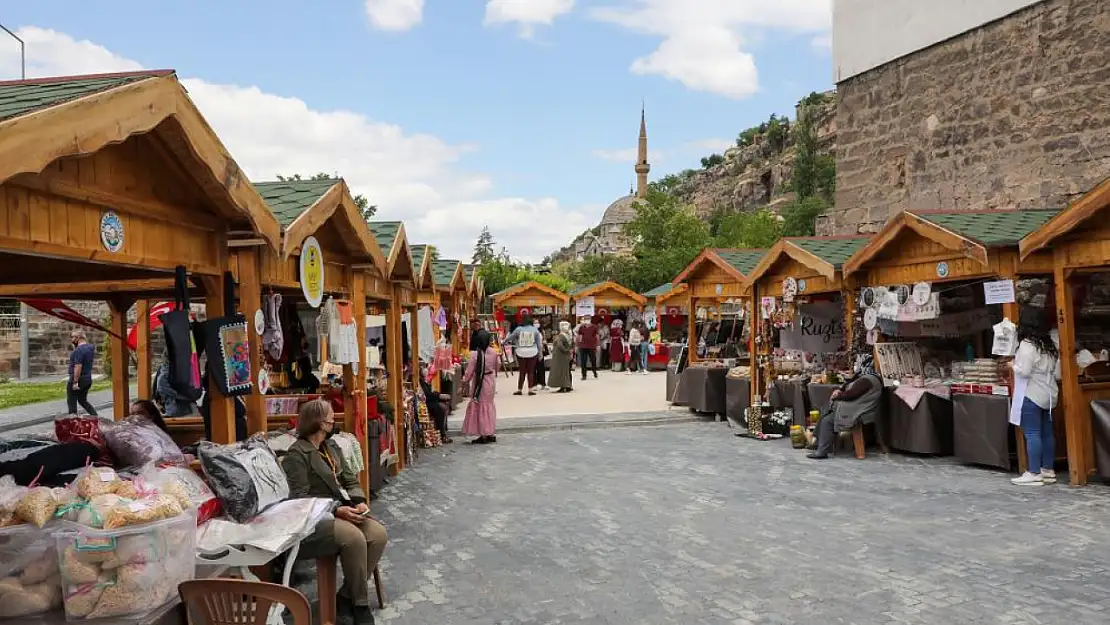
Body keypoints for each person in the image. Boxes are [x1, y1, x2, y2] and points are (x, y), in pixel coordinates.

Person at [282, 399, 387, 625]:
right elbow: (300, 499)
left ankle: (345, 596)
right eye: (329, 415)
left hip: (344, 511)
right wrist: (337, 509)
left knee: (378, 535)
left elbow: (349, 478)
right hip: (314, 521)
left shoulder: (331, 446)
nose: (333, 418)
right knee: (354, 539)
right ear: (318, 421)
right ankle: (360, 604)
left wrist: (358, 500)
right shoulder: (297, 454)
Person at [1010, 310, 1061, 486]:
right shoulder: (1050, 344)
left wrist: (1012, 365)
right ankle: (1048, 470)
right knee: (1047, 433)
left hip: (1030, 392)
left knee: (1032, 433)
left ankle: (1034, 472)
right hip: (1048, 393)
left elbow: (1024, 371)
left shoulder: (1026, 345)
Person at [807, 356, 884, 459]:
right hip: (860, 407)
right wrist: (840, 390)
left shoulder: (866, 380)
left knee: (827, 420)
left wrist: (838, 395)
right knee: (826, 412)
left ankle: (822, 451)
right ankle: (819, 443)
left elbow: (851, 394)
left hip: (858, 411)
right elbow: (849, 387)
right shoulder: (871, 378)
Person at [462, 330, 500, 443]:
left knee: (480, 406)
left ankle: (483, 434)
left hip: (480, 382)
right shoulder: (493, 352)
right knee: (488, 406)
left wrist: (464, 381)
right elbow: (497, 367)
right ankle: (489, 432)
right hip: (490, 381)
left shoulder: (474, 354)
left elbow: (469, 371)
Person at [505, 314, 543, 396]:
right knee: (531, 371)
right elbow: (539, 344)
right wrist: (540, 353)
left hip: (521, 352)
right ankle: (530, 390)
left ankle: (519, 389)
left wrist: (504, 342)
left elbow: (510, 337)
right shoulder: (535, 330)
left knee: (522, 371)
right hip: (533, 352)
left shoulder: (518, 329)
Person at [419, 360, 452, 444]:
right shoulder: (419, 380)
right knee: (440, 408)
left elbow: (428, 393)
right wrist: (439, 396)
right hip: (423, 402)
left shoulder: (424, 380)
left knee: (445, 405)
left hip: (427, 399)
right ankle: (442, 434)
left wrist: (439, 395)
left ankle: (443, 432)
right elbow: (426, 395)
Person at [67, 329, 98, 416]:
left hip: (78, 379)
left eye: (72, 337)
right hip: (87, 379)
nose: (72, 340)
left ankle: (73, 423)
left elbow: (78, 366)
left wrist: (75, 382)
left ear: (78, 338)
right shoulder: (90, 348)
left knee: (71, 402)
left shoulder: (78, 351)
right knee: (82, 400)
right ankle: (95, 417)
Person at [549, 321, 574, 393]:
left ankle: (563, 386)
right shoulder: (569, 335)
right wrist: (569, 351)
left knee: (561, 371)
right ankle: (568, 385)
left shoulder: (561, 336)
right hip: (566, 356)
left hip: (560, 356)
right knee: (567, 371)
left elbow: (560, 345)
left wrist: (566, 350)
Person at [531, 318, 548, 391]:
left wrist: (544, 342)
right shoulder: (531, 331)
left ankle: (543, 383)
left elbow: (544, 339)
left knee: (541, 368)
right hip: (533, 351)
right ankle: (534, 384)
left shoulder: (542, 331)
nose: (536, 324)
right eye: (535, 323)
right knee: (533, 368)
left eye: (537, 322)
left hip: (541, 351)